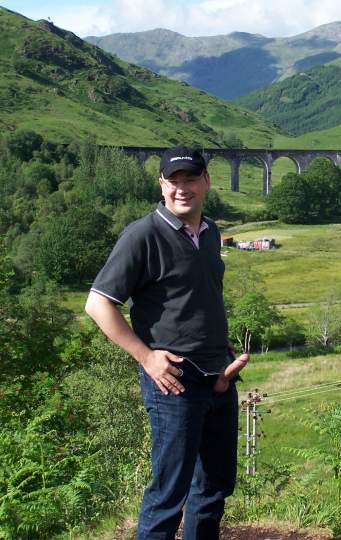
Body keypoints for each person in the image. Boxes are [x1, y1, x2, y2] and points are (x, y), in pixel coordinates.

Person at [85, 146, 248, 539]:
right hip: (173, 381)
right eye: (173, 181)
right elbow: (98, 304)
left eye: (190, 179)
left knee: (213, 488)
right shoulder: (143, 234)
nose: (182, 189)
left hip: (218, 376)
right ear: (161, 185)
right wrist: (146, 357)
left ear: (206, 181)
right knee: (168, 496)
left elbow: (198, 295)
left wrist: (219, 345)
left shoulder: (208, 232)